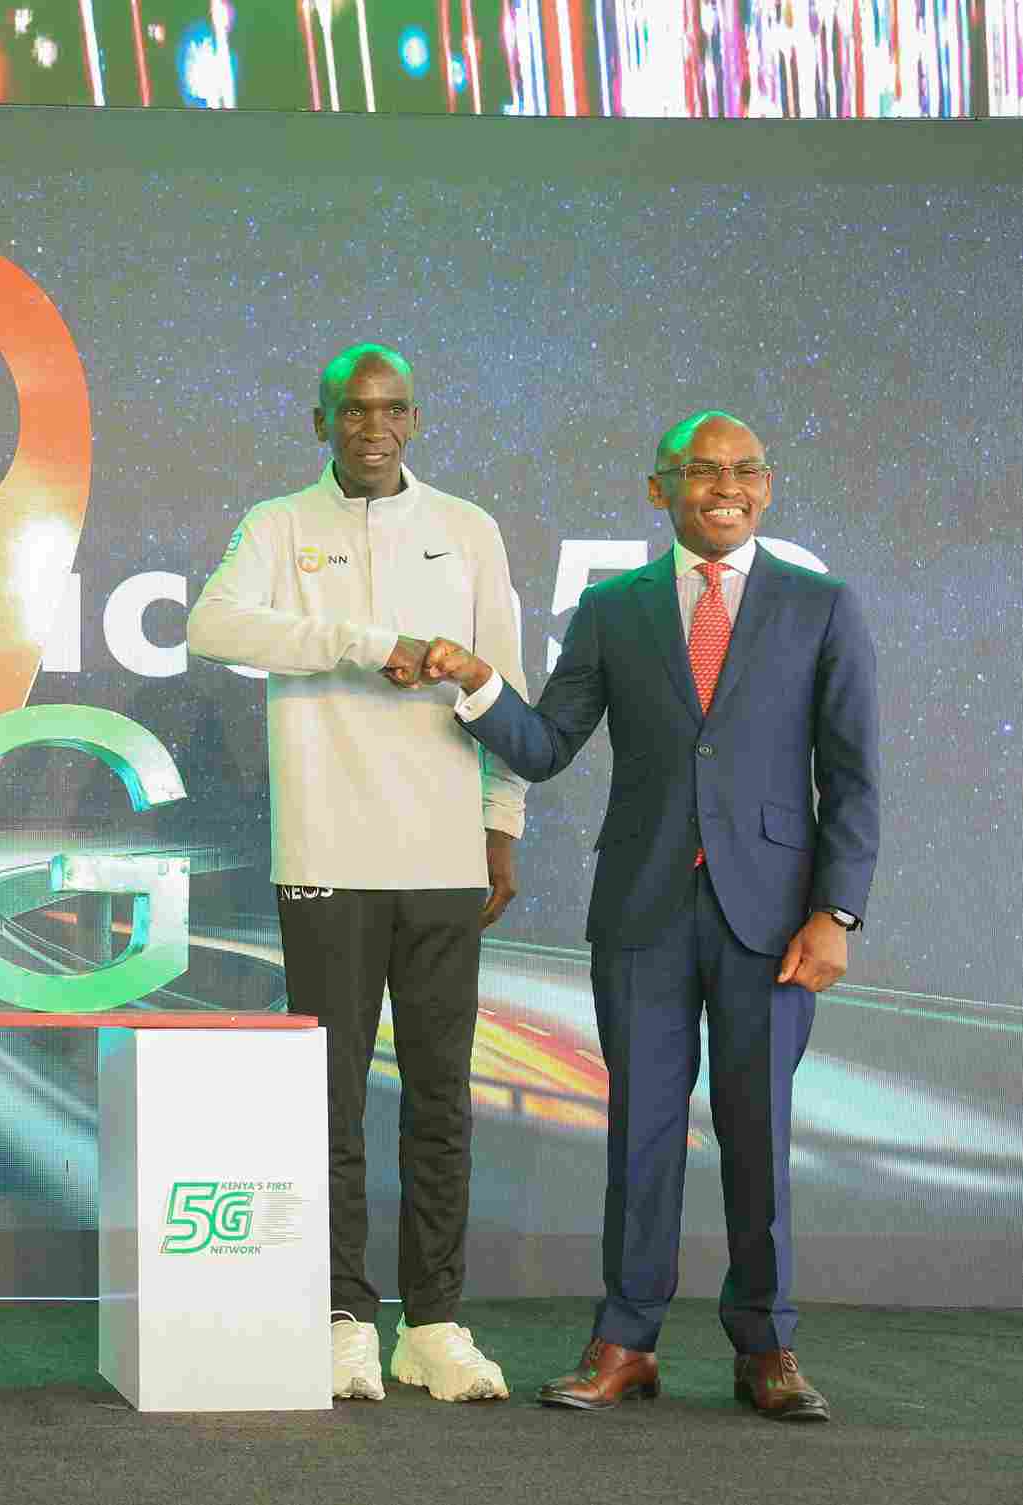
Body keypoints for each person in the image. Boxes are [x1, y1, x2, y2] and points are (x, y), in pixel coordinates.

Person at [422, 410, 878, 1422]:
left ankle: (767, 1345)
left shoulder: (820, 605)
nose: (725, 485)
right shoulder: (612, 605)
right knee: (638, 1131)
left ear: (766, 484)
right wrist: (475, 682)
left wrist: (835, 909)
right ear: (657, 488)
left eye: (744, 469)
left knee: (757, 1134)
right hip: (643, 909)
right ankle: (624, 1341)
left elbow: (850, 776)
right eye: (701, 470)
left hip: (774, 920)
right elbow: (543, 745)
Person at [186, 344, 525, 1404]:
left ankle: (433, 1322)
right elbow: (209, 624)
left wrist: (500, 823)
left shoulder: (465, 528)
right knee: (327, 1098)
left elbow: (504, 681)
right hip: (326, 849)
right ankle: (341, 1313)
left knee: (439, 1096)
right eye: (350, 410)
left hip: (438, 854)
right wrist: (355, 639)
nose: (370, 427)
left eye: (389, 410)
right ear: (318, 419)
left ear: (413, 419)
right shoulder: (277, 524)